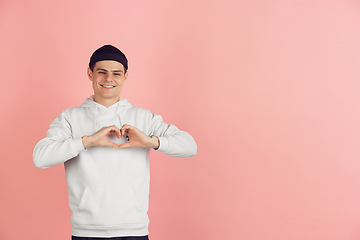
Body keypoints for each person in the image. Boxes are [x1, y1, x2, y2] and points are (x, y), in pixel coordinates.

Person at [33, 45, 197, 240]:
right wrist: (87, 141)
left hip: (134, 230)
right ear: (90, 73)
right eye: (101, 72)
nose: (108, 79)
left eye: (116, 73)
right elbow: (40, 157)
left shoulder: (143, 117)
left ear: (125, 76)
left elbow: (189, 146)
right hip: (87, 231)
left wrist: (150, 141)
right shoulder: (70, 118)